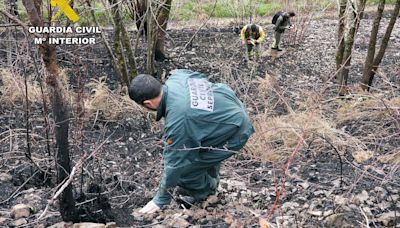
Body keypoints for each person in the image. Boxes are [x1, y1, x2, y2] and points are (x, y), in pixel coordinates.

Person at [128, 69, 255, 214]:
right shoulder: (178, 77)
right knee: (198, 150)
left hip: (236, 130)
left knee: (184, 172)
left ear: (148, 103)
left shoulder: (180, 121)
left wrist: (160, 199)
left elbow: (176, 163)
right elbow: (197, 76)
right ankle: (208, 180)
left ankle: (207, 195)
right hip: (227, 104)